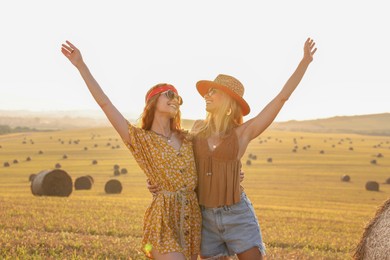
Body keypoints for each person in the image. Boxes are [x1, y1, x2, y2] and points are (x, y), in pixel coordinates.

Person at [149, 37, 317, 259]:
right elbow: (175, 157)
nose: (206, 95)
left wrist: (304, 62)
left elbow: (281, 98)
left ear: (229, 101)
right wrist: (157, 180)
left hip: (237, 214)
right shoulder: (196, 129)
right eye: (207, 92)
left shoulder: (242, 133)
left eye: (213, 92)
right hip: (204, 217)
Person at [61, 41, 201, 260]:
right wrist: (82, 66)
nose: (175, 100)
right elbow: (105, 104)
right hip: (162, 220)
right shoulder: (140, 139)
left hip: (192, 219)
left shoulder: (189, 138)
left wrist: (234, 174)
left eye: (178, 98)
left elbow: (215, 158)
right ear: (153, 102)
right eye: (169, 94)